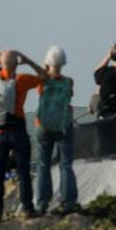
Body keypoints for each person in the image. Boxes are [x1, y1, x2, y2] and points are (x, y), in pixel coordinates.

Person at [0, 50, 48, 218]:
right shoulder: (21, 80)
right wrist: (28, 60)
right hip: (17, 131)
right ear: (16, 64)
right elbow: (44, 76)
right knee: (23, 171)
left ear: (1, 62)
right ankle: (27, 208)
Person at [34, 46, 78, 215]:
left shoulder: (42, 80)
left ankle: (42, 203)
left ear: (47, 63)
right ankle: (68, 202)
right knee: (65, 164)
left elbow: (41, 88)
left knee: (43, 164)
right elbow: (69, 95)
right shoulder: (69, 81)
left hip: (43, 126)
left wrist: (44, 68)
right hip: (63, 125)